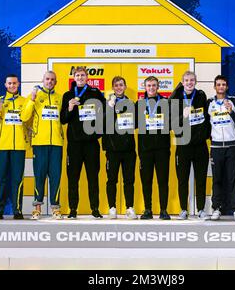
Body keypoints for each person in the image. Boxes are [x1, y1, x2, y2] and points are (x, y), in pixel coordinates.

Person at [61, 66, 106, 219]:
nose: (80, 77)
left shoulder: (95, 93)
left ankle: (95, 209)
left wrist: (98, 132)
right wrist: (70, 107)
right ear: (74, 78)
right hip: (74, 144)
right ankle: (73, 209)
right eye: (77, 75)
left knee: (93, 177)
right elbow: (63, 119)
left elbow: (105, 112)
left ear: (87, 78)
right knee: (73, 178)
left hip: (91, 143)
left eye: (82, 75)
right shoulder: (67, 95)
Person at [22, 71, 64, 220]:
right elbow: (24, 117)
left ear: (56, 82)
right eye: (47, 79)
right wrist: (32, 100)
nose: (50, 81)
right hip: (39, 143)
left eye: (52, 79)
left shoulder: (60, 98)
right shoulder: (34, 96)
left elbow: (63, 118)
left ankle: (55, 208)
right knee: (39, 176)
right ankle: (37, 208)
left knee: (55, 176)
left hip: (56, 144)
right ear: (43, 80)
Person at [0, 74, 31, 220]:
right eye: (9, 83)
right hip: (2, 145)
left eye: (14, 83)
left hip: (19, 146)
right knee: (0, 178)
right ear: (5, 85)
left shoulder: (25, 101)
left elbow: (27, 120)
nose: (12, 86)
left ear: (18, 84)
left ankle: (17, 210)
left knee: (17, 179)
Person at [171, 71, 209, 220]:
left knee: (201, 179)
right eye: (186, 80)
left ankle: (201, 209)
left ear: (195, 81)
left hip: (200, 144)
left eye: (192, 80)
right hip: (183, 144)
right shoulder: (175, 98)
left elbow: (205, 117)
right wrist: (183, 116)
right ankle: (183, 209)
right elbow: (172, 123)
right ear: (182, 82)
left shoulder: (201, 95)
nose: (189, 83)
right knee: (182, 179)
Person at [207, 75, 235, 221]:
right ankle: (216, 208)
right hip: (216, 146)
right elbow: (205, 124)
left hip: (232, 145)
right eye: (218, 84)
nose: (221, 87)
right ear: (215, 87)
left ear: (227, 87)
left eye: (223, 84)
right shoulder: (209, 103)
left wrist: (231, 112)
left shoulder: (233, 101)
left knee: (233, 178)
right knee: (217, 179)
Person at [136, 76, 171, 220]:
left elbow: (171, 123)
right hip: (145, 149)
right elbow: (133, 124)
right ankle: (148, 209)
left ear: (158, 87)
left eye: (154, 85)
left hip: (162, 148)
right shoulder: (138, 104)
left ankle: (163, 210)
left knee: (163, 181)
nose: (151, 88)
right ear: (145, 87)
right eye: (149, 85)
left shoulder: (166, 103)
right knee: (146, 181)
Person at [103, 76, 137, 219]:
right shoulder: (107, 103)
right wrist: (110, 108)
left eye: (121, 85)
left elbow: (136, 124)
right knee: (112, 180)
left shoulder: (131, 103)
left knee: (129, 180)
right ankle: (112, 208)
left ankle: (129, 208)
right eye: (116, 85)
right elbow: (102, 124)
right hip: (112, 149)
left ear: (125, 86)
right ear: (113, 87)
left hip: (128, 149)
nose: (119, 87)